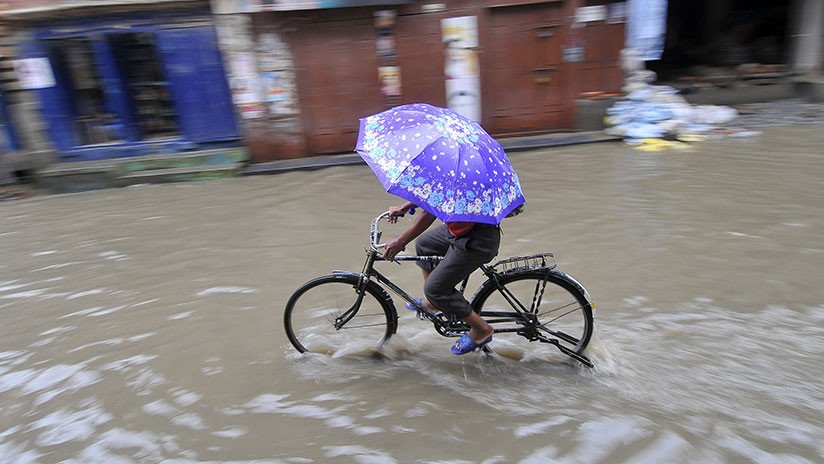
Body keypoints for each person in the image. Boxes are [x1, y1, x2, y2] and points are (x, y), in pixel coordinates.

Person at [383, 200, 501, 355]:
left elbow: (431, 209)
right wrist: (406, 206)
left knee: (435, 288)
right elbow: (432, 196)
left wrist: (401, 240)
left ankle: (481, 330)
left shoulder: (460, 181)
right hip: (460, 232)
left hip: (476, 241)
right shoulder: (452, 178)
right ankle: (434, 303)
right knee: (425, 244)